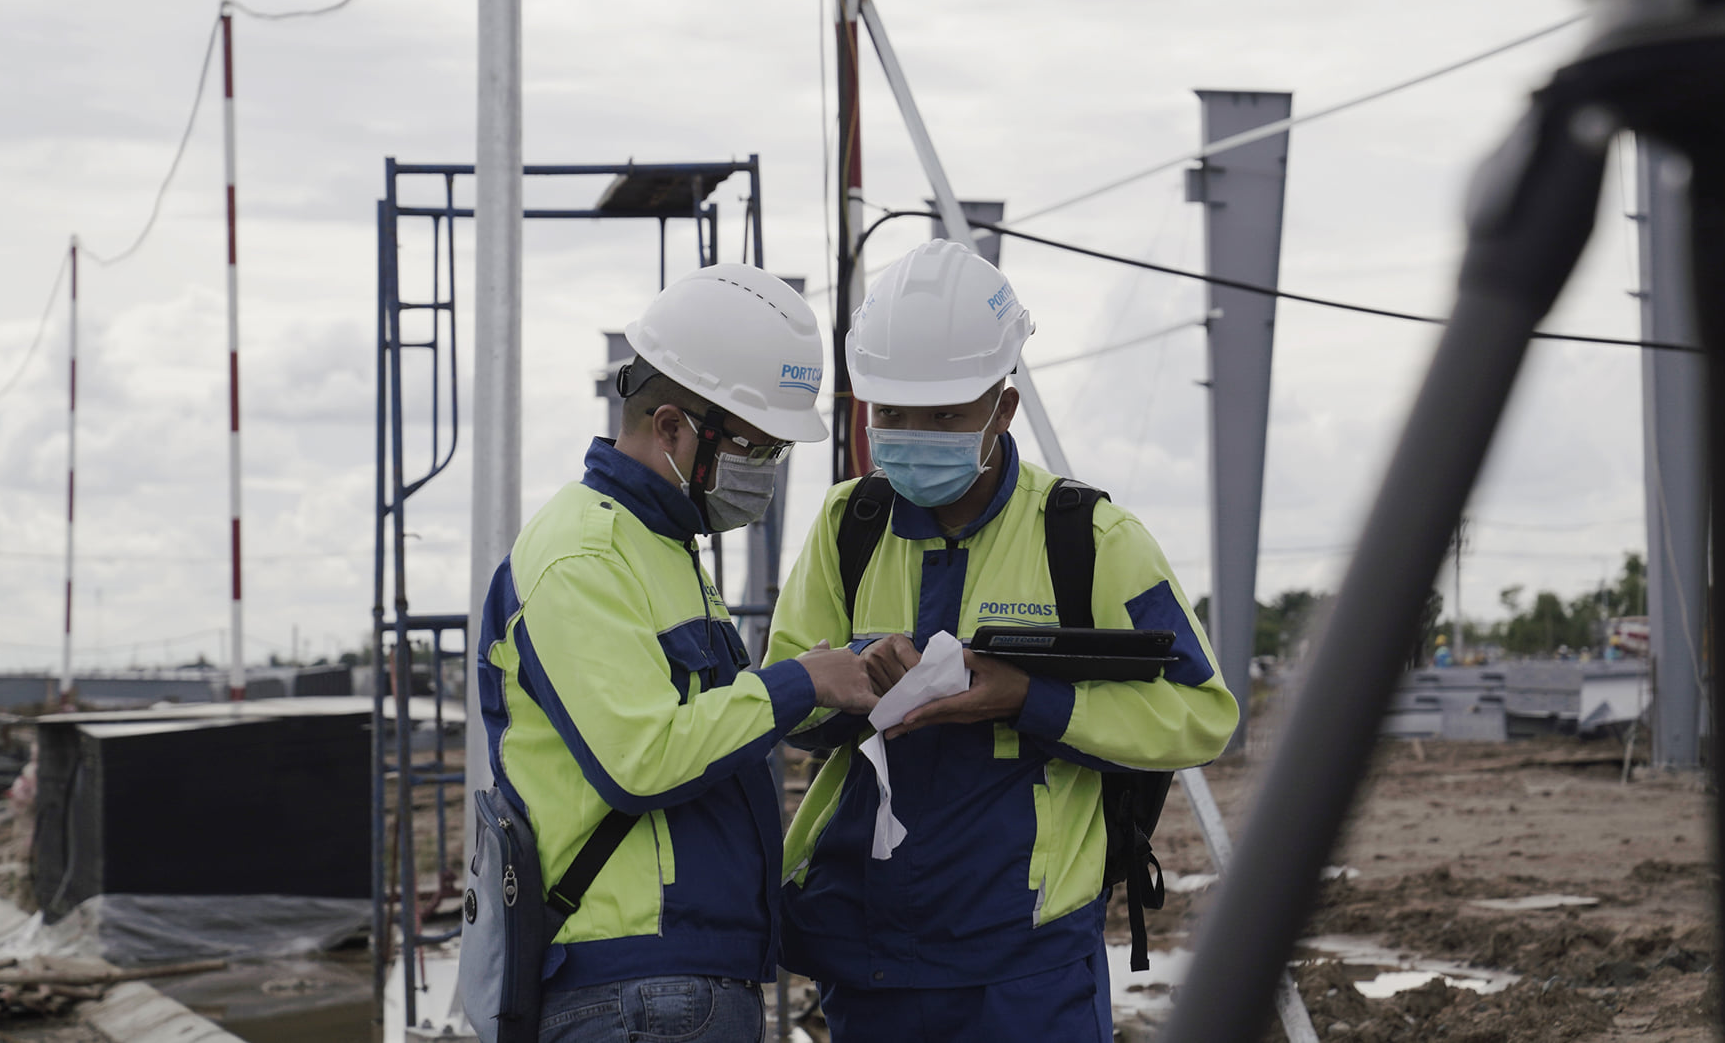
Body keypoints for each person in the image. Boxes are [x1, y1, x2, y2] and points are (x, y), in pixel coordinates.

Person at [766, 240, 1239, 1043]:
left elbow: (1200, 714)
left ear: (1003, 408)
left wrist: (1030, 698)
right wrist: (847, 689)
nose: (912, 434)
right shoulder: (851, 525)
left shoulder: (1088, 537)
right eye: (892, 413)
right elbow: (787, 692)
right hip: (869, 953)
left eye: (944, 415)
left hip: (1027, 965)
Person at [477, 264, 879, 1043]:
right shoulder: (583, 555)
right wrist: (799, 683)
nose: (761, 474)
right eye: (755, 449)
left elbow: (699, 727)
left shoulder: (660, 547)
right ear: (670, 428)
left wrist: (826, 681)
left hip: (674, 982)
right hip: (634, 986)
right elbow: (641, 755)